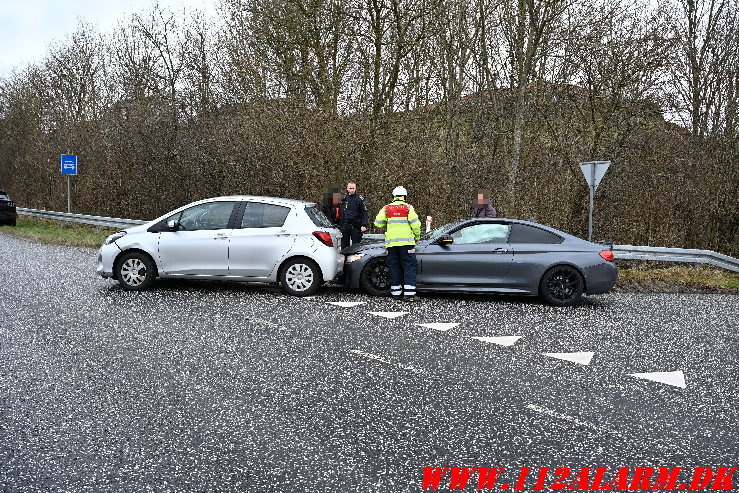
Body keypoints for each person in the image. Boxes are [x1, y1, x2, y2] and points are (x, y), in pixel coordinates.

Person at [373, 186, 421, 302]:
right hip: (407, 243)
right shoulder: (408, 208)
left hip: (391, 244)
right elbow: (416, 225)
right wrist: (417, 237)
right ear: (405, 196)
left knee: (394, 267)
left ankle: (396, 293)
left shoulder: (386, 208)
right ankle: (409, 295)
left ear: (394, 196)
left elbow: (377, 223)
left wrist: (388, 221)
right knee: (409, 266)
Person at [339, 181, 369, 249]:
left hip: (356, 225)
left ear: (355, 188)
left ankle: (355, 259)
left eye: (353, 188)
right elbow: (341, 212)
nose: (351, 190)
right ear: (347, 188)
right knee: (344, 245)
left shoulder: (359, 199)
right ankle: (345, 258)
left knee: (356, 246)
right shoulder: (344, 199)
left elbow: (364, 212)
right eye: (350, 188)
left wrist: (364, 225)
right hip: (346, 225)